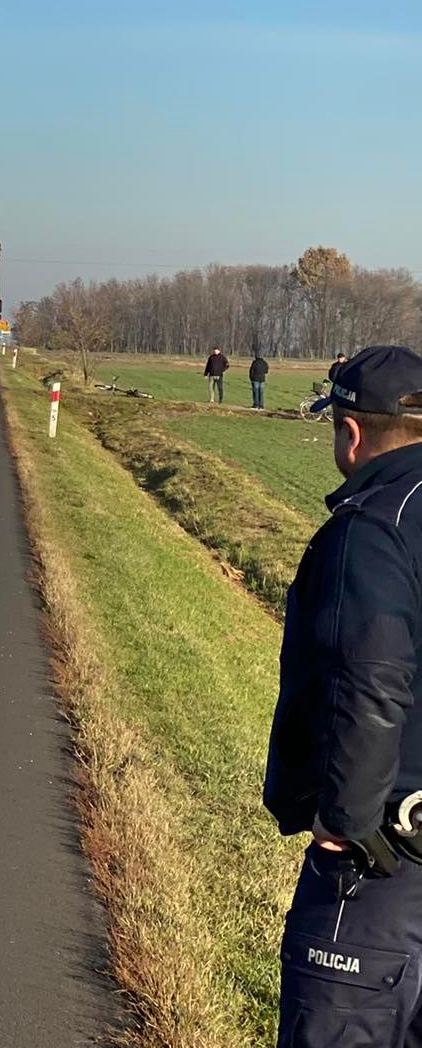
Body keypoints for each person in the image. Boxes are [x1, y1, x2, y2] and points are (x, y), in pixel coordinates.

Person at [264, 347, 422, 1040]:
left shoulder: (372, 529)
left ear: (351, 434)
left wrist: (346, 822)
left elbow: (369, 677)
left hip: (383, 874)